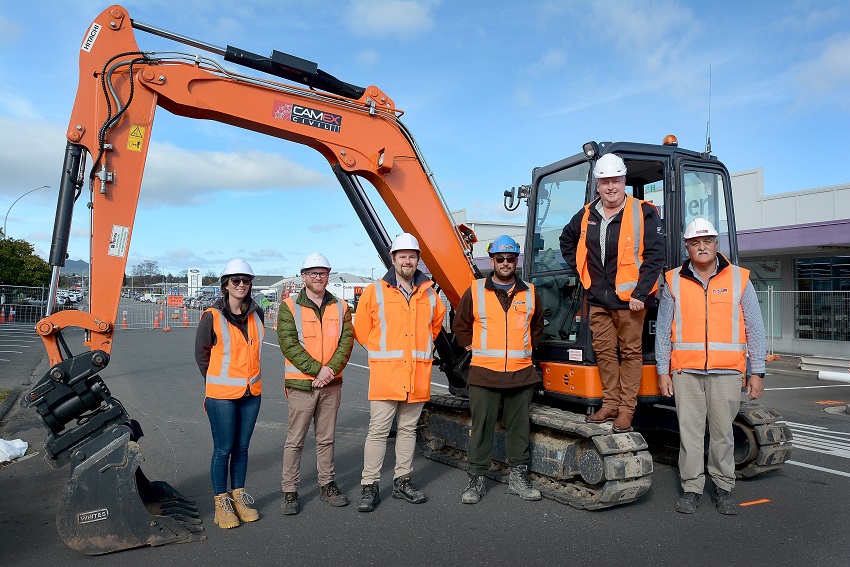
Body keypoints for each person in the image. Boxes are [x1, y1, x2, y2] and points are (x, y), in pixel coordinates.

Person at [655, 218, 766, 515]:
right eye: (695, 242)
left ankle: (723, 487)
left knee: (722, 434)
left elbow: (755, 327)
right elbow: (664, 330)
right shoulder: (673, 281)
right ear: (687, 247)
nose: (701, 246)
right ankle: (692, 488)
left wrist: (757, 371)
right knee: (689, 434)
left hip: (728, 371)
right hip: (685, 372)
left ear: (717, 245)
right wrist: (662, 372)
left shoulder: (739, 279)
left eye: (707, 241)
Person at [559, 153, 665, 433]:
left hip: (630, 301)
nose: (610, 187)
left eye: (615, 181)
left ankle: (626, 410)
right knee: (604, 353)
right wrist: (583, 275)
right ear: (597, 185)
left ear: (624, 181)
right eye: (605, 181)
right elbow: (566, 240)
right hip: (597, 300)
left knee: (630, 354)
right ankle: (610, 403)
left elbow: (655, 256)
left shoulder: (643, 211)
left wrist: (641, 293)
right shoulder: (586, 214)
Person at [353, 232, 446, 512]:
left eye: (412, 256)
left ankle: (402, 481)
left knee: (408, 430)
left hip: (416, 375)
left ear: (418, 260)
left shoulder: (429, 294)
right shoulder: (375, 291)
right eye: (402, 256)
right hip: (386, 376)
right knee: (379, 431)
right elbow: (361, 329)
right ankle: (369, 486)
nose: (407, 261)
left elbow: (435, 326)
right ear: (392, 259)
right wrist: (385, 353)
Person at [452, 235, 545, 504]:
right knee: (481, 428)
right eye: (500, 259)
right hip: (484, 374)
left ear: (516, 260)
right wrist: (471, 347)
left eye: (510, 258)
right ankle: (476, 479)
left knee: (519, 428)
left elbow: (536, 326)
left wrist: (527, 347)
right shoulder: (476, 291)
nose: (506, 263)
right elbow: (460, 325)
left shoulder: (530, 292)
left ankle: (518, 477)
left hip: (520, 373)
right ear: (492, 261)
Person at [277, 252, 354, 515]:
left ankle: (327, 484)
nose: (318, 277)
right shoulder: (289, 306)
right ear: (303, 277)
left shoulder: (342, 307)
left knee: (326, 439)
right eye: (313, 273)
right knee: (295, 441)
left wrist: (329, 371)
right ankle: (289, 491)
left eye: (322, 273)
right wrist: (317, 370)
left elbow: (346, 343)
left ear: (328, 275)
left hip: (331, 384)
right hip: (301, 385)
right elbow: (289, 344)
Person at [195, 258, 264, 529]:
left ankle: (239, 497)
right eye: (236, 280)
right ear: (226, 284)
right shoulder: (212, 316)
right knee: (223, 449)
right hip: (221, 395)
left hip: (251, 393)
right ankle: (221, 503)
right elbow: (202, 355)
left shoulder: (256, 314)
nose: (241, 285)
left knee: (242, 448)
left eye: (246, 280)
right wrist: (213, 383)